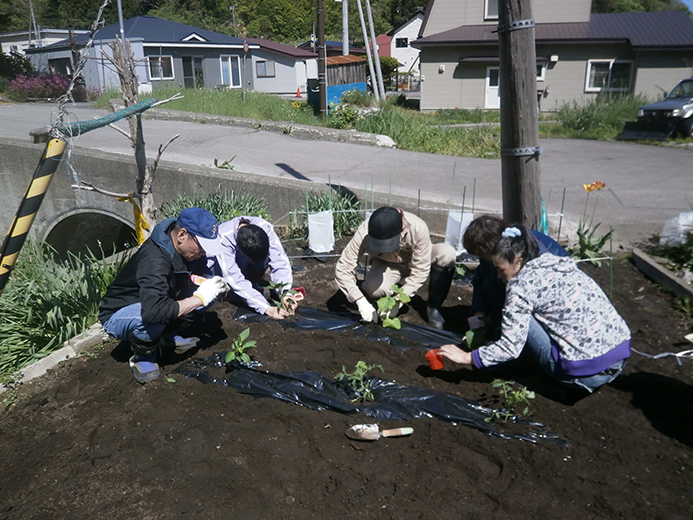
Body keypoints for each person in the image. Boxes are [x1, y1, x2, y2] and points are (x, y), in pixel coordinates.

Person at [439, 224, 631, 393]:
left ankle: (558, 380)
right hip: (619, 357)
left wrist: (467, 357)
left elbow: (510, 348)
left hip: (584, 378)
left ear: (519, 261)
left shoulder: (520, 288)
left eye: (500, 269)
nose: (497, 276)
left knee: (522, 322)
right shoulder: (557, 262)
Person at [99, 207, 229, 384]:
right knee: (153, 315)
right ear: (182, 235)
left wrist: (210, 282)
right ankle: (143, 357)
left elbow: (197, 273)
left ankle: (168, 335)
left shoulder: (189, 251)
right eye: (202, 246)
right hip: (121, 312)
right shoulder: (154, 259)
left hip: (156, 301)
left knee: (207, 293)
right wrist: (200, 298)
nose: (204, 253)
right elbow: (153, 311)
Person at [335, 206, 457, 329]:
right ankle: (393, 287)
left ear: (402, 228)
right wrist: (359, 300)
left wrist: (399, 301)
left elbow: (420, 271)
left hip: (416, 259)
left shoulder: (418, 228)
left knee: (446, 253)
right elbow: (343, 267)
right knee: (374, 289)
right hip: (388, 263)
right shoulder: (366, 230)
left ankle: (433, 308)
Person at [463, 215, 570, 329]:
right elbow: (481, 278)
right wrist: (478, 312)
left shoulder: (532, 252)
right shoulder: (498, 248)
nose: (484, 259)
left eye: (484, 255)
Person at [203, 216, 297, 320]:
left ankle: (252, 288)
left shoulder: (264, 227)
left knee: (264, 259)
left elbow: (280, 261)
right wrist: (266, 308)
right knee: (222, 282)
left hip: (243, 257)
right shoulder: (223, 238)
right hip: (217, 265)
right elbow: (234, 278)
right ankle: (230, 294)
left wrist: (285, 293)